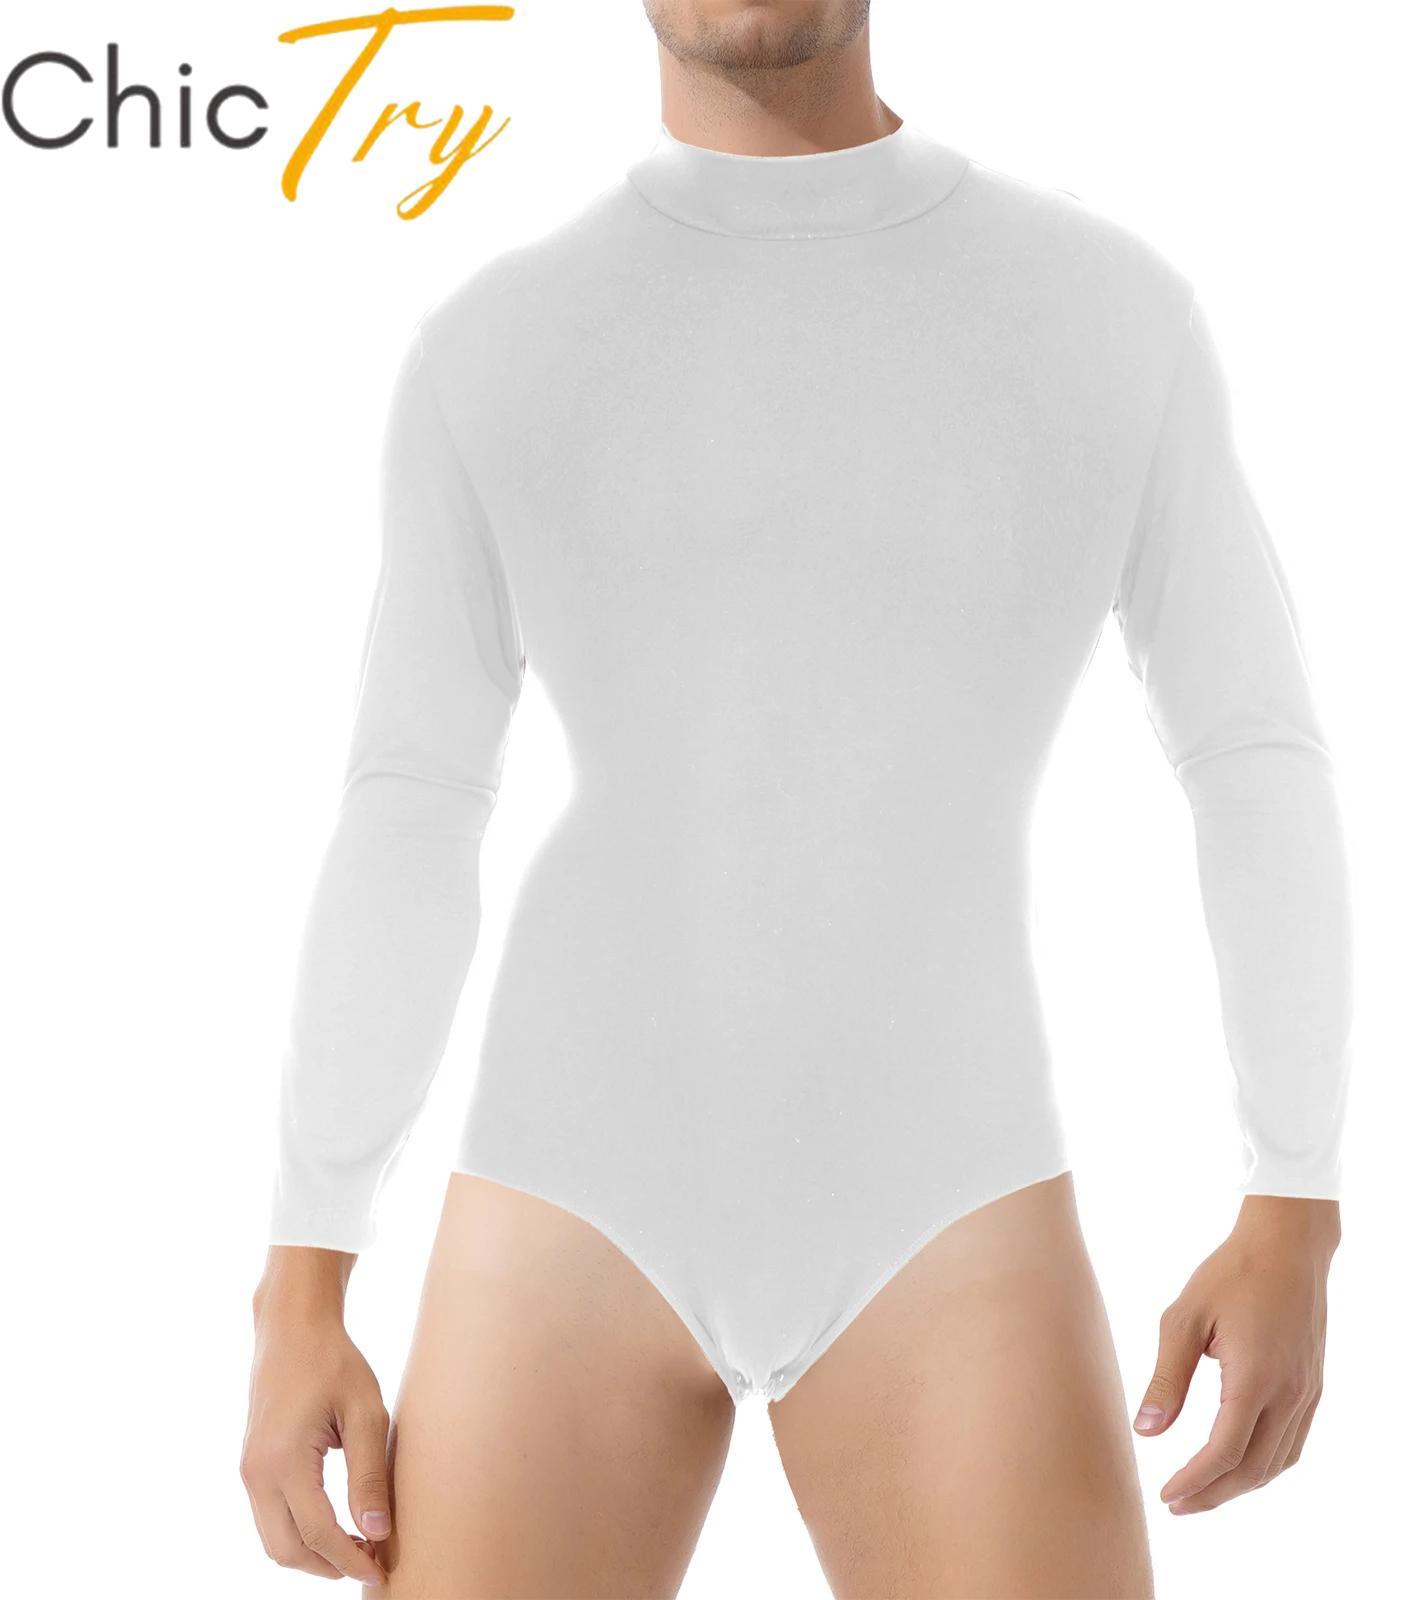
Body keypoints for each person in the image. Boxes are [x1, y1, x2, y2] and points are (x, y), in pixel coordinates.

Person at [240, 2, 1352, 1593]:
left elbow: (1250, 753)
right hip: (570, 1188)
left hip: (952, 1204)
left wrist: (1294, 1202)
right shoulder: (497, 341)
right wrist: (300, 1290)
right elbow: (412, 800)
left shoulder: (1102, 310)